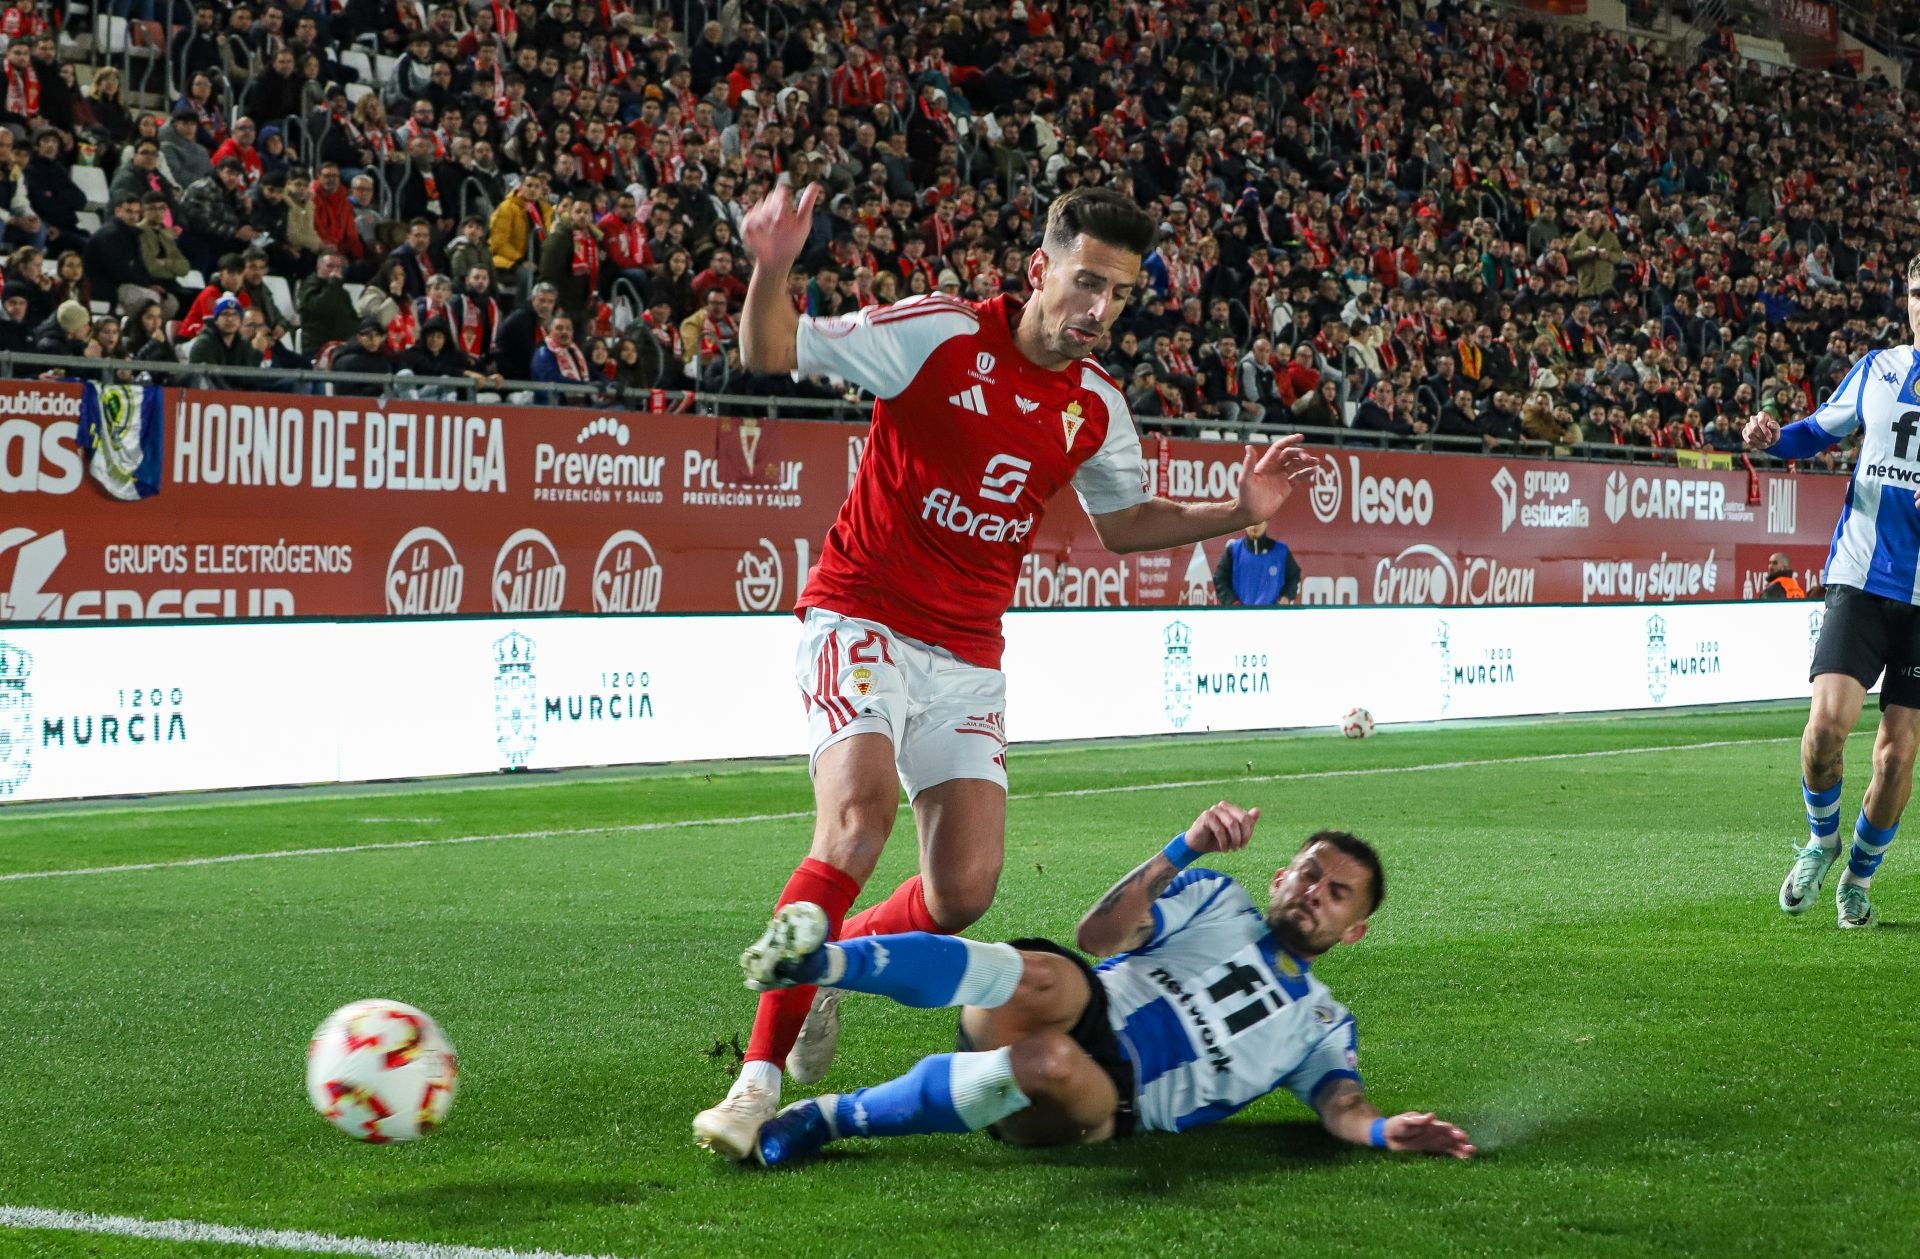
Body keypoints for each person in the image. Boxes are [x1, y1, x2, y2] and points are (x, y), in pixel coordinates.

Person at [692, 181, 1325, 1159]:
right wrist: (772, 264)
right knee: (857, 817)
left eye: (1117, 294)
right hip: (861, 612)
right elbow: (771, 350)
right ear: (1040, 269)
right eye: (1084, 283)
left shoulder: (1095, 407)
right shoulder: (939, 336)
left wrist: (1238, 511)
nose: (1098, 309)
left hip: (969, 652)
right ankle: (755, 1081)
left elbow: (1122, 526)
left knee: (963, 893)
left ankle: (824, 960)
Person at [739, 800, 1474, 1166]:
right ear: (1281, 875)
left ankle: (832, 1117)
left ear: (1353, 931)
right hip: (1085, 1003)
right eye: (1310, 872)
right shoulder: (1217, 898)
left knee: (1050, 1062)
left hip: (1112, 1097)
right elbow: (1098, 936)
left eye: (1338, 893)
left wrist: (1383, 1129)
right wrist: (1182, 849)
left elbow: (1341, 1104)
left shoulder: (1322, 1022)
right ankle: (823, 961)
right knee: (1045, 971)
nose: (1317, 891)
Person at [1745, 253, 1920, 930]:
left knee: (1897, 752)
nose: (1919, 303)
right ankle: (1822, 841)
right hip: (1860, 576)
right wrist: (1771, 438)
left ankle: (1858, 879)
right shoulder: (1877, 369)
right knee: (1823, 731)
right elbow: (1816, 432)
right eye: (1913, 291)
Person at [1213, 520, 1301, 606]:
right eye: (1251, 522)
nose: (1255, 526)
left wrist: (1286, 597)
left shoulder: (1281, 551)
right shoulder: (1233, 550)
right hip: (1240, 617)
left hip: (1273, 616)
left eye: (1259, 521)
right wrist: (1233, 603)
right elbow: (1220, 579)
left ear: (1266, 523)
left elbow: (1294, 576)